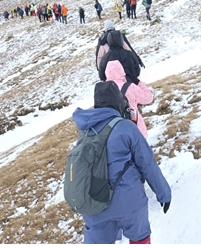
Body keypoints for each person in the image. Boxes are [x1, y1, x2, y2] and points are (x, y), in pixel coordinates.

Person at [72, 81, 171, 244]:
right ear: (119, 101)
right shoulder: (125, 127)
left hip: (95, 205)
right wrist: (164, 193)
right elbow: (147, 164)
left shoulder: (86, 132)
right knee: (140, 239)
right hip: (129, 201)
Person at [104, 60, 154, 138]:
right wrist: (139, 83)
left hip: (114, 132)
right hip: (135, 127)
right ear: (122, 70)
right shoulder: (129, 87)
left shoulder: (104, 91)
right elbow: (148, 98)